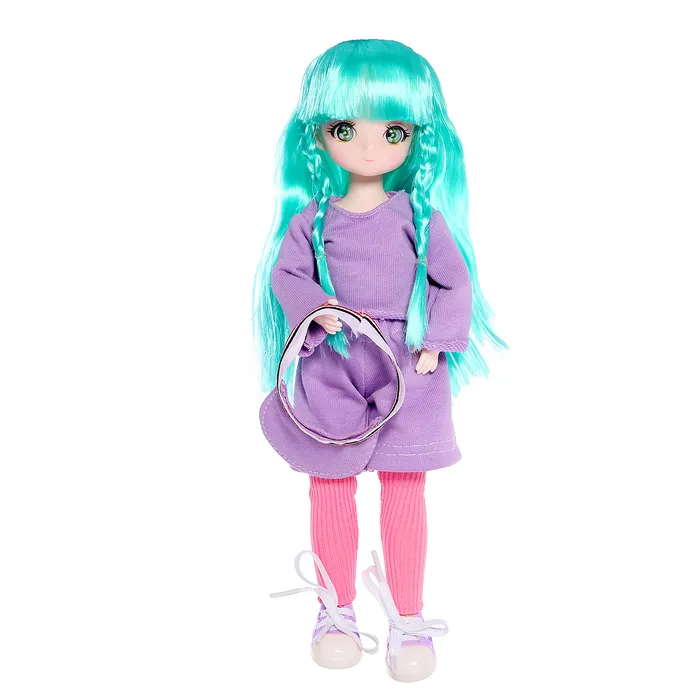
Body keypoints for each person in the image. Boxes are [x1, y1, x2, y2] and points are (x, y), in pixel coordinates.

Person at [252, 39, 505, 682]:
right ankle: (335, 611)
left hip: (409, 366)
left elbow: (454, 282)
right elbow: (286, 277)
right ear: (319, 135)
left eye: (392, 131)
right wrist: (318, 311)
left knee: (405, 487)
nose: (369, 148)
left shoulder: (420, 218)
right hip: (333, 361)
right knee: (330, 483)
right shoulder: (311, 221)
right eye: (346, 129)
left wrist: (438, 340)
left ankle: (407, 617)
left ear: (417, 137)